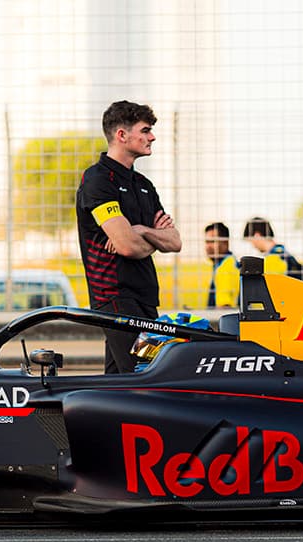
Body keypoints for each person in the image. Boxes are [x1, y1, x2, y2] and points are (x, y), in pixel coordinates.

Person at [76, 100, 182, 373]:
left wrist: (143, 231)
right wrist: (151, 239)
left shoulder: (144, 185)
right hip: (115, 297)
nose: (152, 137)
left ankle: (102, 419)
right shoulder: (98, 179)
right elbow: (126, 245)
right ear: (122, 135)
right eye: (145, 130)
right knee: (146, 376)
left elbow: (175, 242)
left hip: (145, 296)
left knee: (120, 384)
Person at [241, 217, 303, 284]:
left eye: (251, 241)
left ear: (257, 235)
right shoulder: (283, 254)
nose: (253, 246)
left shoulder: (274, 259)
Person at [204, 221, 240, 307]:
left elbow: (224, 307)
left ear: (225, 242)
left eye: (212, 241)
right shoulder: (226, 263)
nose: (208, 246)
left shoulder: (225, 267)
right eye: (207, 242)